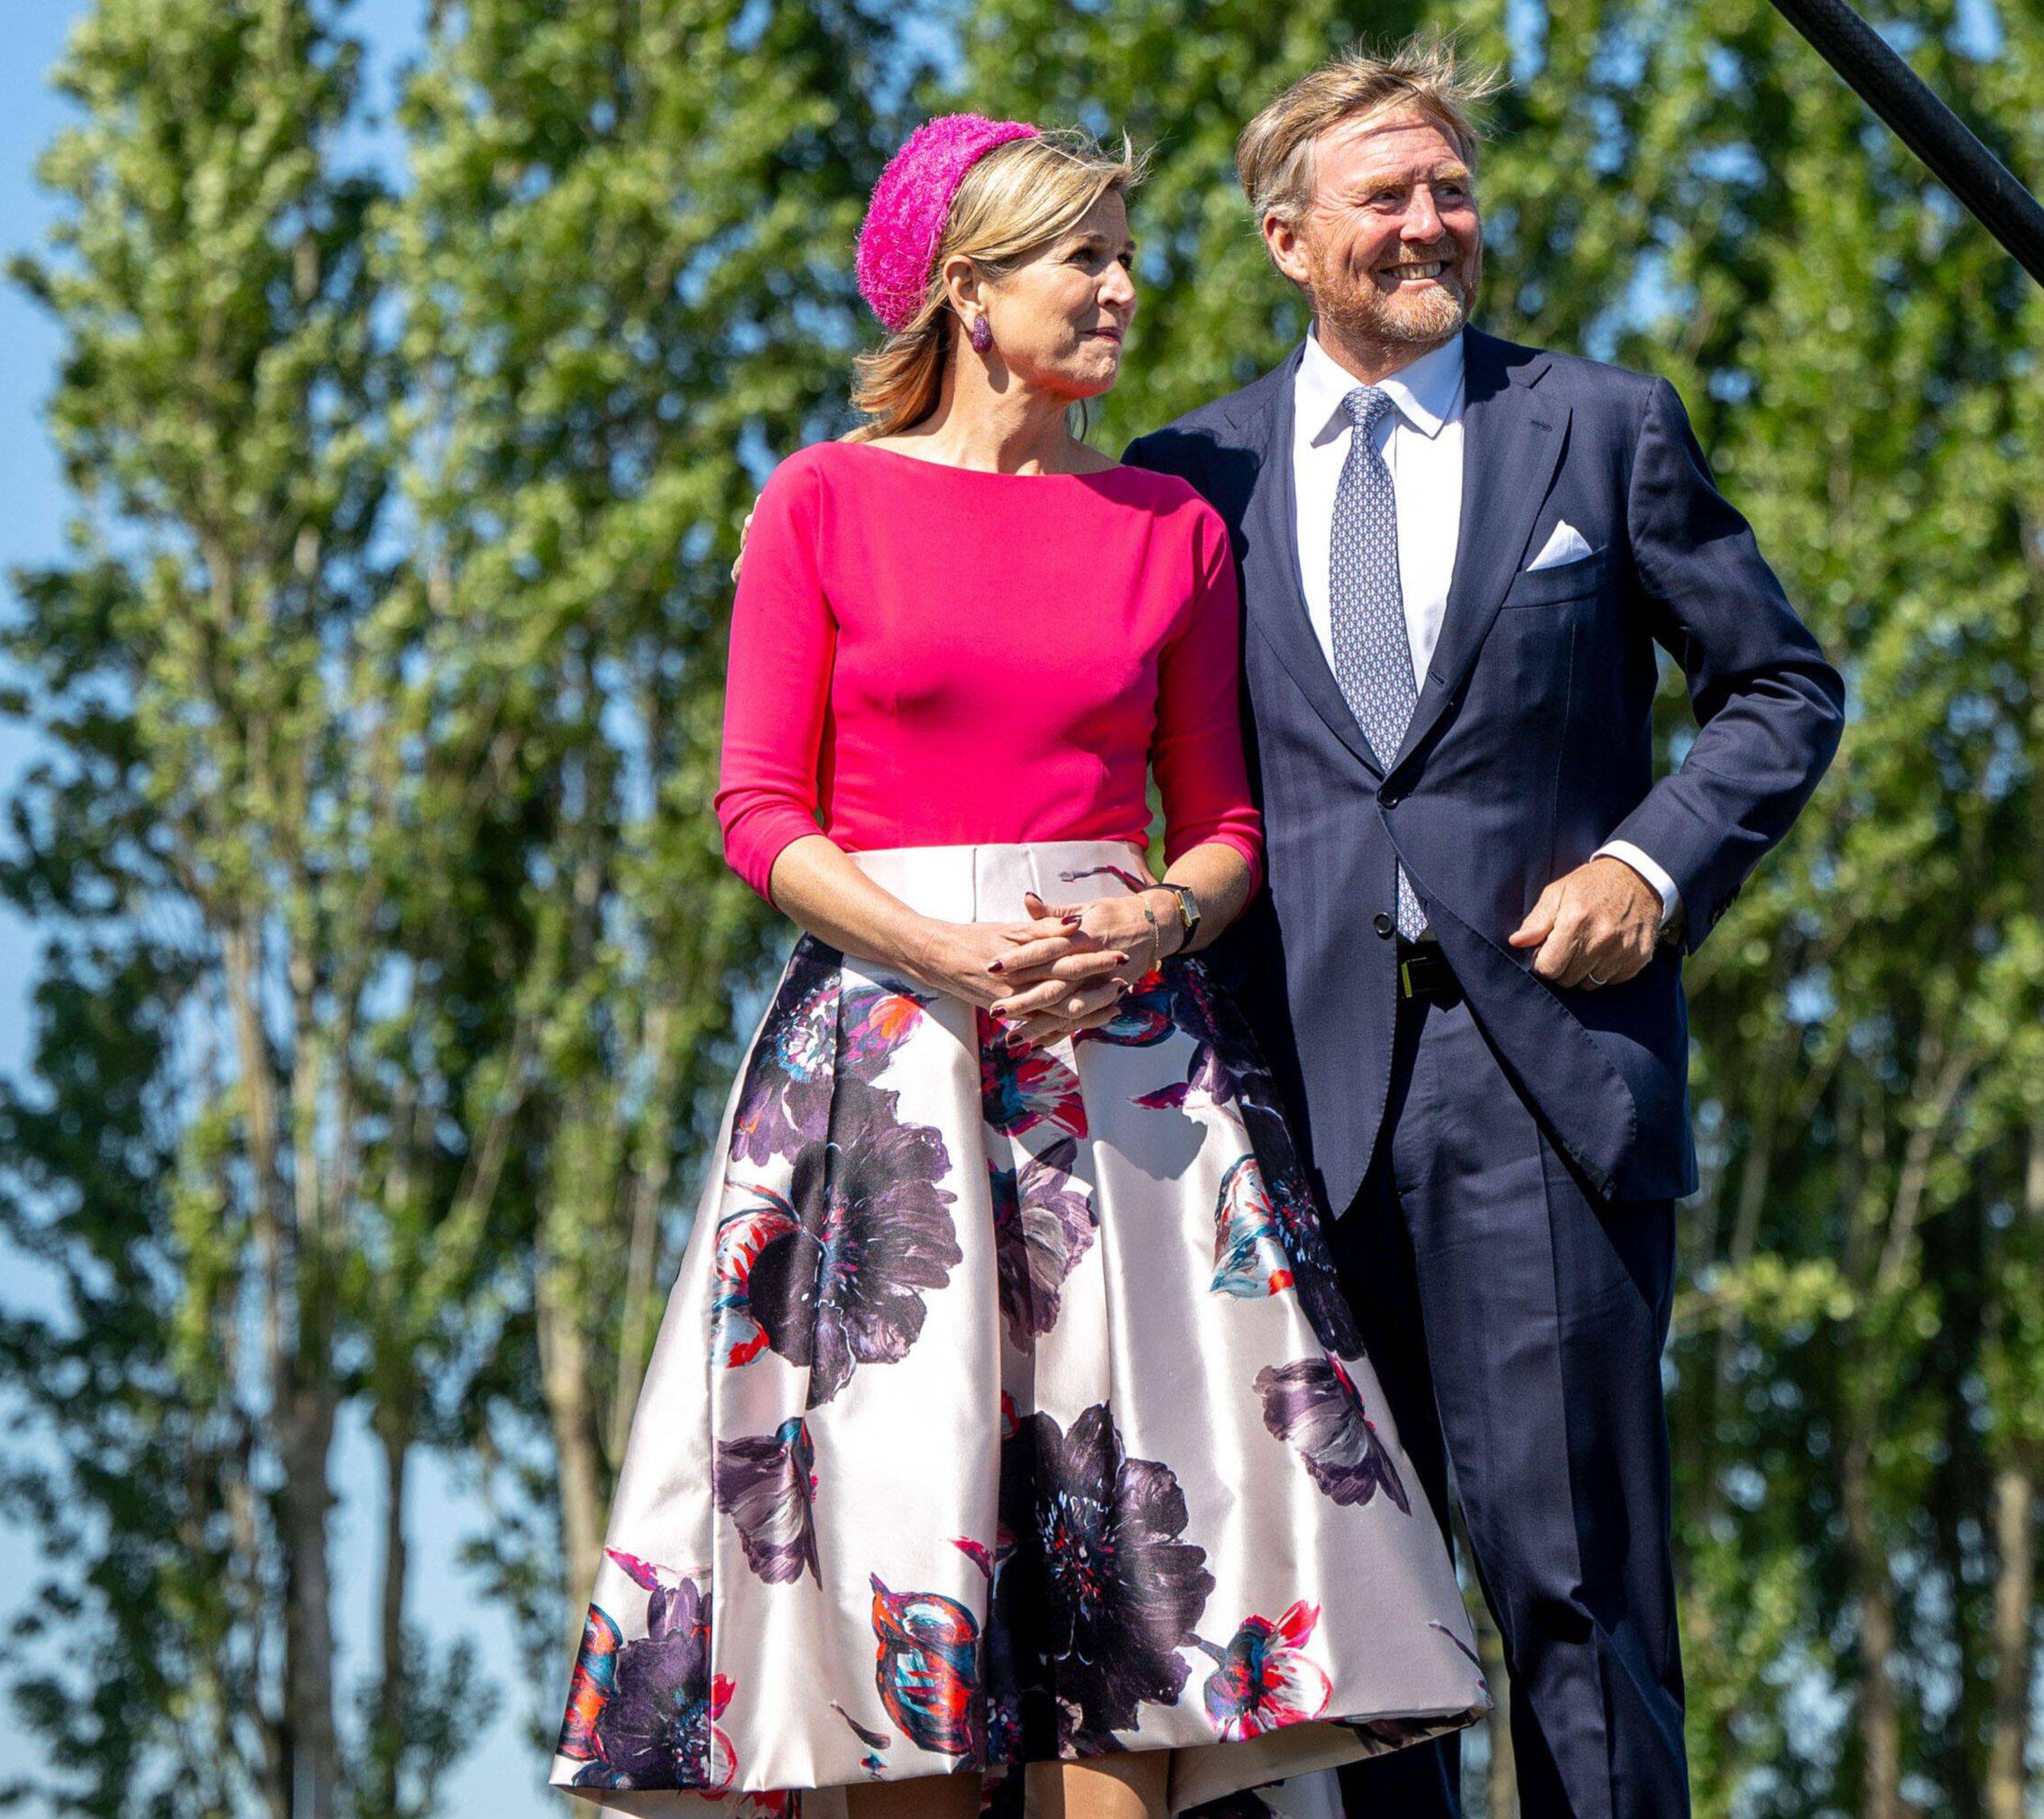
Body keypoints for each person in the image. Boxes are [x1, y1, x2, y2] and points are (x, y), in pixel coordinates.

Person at [548, 115, 1486, 1819]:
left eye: (1125, 249)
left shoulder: (1166, 528)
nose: (1124, 286)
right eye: (1085, 255)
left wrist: (1148, 918)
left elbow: (1221, 826)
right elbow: (755, 806)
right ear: (967, 291)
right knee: (903, 1619)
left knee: (1123, 1642)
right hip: (888, 1083)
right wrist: (933, 946)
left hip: (1127, 1102)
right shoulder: (822, 498)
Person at [1124, 41, 1847, 1819]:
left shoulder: (1597, 425)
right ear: (1288, 236)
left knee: (1573, 1591)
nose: (1431, 222)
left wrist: (1650, 864)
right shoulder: (1180, 475)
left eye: (1449, 189)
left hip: (1537, 1079)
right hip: (1278, 1103)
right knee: (1356, 1623)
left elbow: (1776, 684)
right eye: (1387, 194)